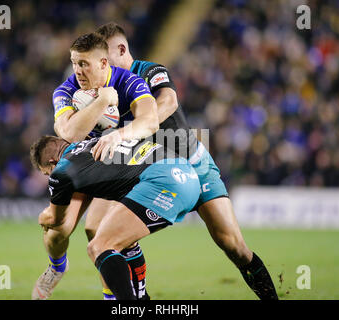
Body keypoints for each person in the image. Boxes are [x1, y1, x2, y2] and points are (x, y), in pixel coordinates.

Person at [95, 22, 278, 300]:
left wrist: (130, 127)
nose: (103, 67)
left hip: (195, 164)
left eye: (105, 60)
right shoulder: (110, 90)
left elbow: (168, 101)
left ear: (121, 49)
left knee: (233, 245)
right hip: (157, 174)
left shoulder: (150, 71)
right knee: (117, 240)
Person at [32, 32, 159, 300]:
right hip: (80, 164)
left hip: (117, 164)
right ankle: (56, 268)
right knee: (59, 231)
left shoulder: (130, 82)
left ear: (104, 63)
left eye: (84, 64)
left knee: (97, 230)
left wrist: (118, 135)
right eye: (74, 62)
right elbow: (69, 132)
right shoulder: (65, 90)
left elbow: (150, 122)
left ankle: (113, 297)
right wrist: (102, 100)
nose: (77, 70)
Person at [30, 135, 201, 300]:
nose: (50, 176)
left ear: (52, 162)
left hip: (164, 181)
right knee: (124, 242)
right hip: (188, 174)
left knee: (99, 246)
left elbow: (56, 219)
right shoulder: (95, 143)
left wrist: (43, 216)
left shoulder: (61, 170)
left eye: (47, 173)